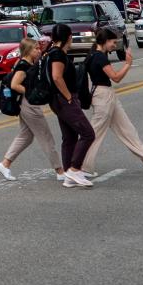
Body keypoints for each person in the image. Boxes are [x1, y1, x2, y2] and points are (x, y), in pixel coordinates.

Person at [84, 28, 143, 176]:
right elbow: (116, 77)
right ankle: (81, 167)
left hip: (106, 95)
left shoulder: (94, 54)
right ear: (105, 41)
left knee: (128, 131)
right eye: (113, 42)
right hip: (102, 96)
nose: (115, 45)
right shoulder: (99, 57)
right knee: (94, 134)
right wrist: (128, 64)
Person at [0, 35, 62, 183]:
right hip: (28, 105)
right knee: (46, 137)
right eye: (35, 49)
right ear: (27, 51)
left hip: (25, 104)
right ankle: (59, 170)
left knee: (26, 136)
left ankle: (5, 164)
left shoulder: (28, 63)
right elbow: (14, 85)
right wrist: (31, 92)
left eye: (38, 48)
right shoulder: (23, 66)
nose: (38, 51)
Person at [44, 23, 95, 187]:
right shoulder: (57, 54)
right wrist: (68, 97)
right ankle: (74, 169)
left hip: (57, 100)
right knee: (88, 133)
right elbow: (57, 77)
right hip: (64, 99)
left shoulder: (51, 53)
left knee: (69, 137)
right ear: (68, 37)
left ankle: (68, 175)